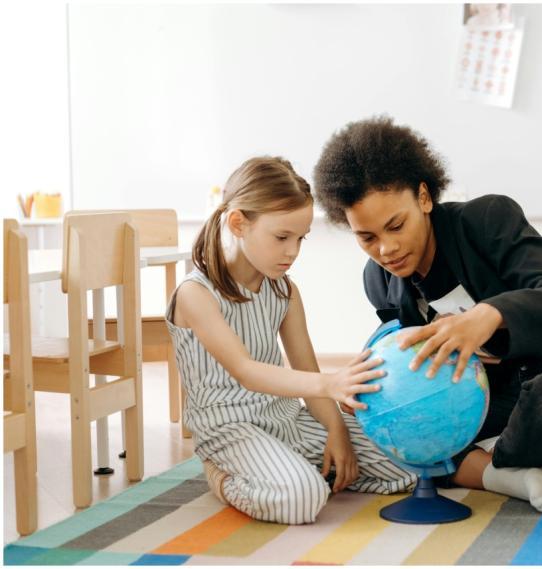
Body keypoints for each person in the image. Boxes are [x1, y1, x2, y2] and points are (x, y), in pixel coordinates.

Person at [312, 116, 542, 511]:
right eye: (367, 237)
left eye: (396, 225)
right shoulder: (379, 281)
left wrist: (488, 316)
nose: (386, 249)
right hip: (496, 399)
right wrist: (367, 388)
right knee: (373, 428)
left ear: (425, 198)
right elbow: (407, 361)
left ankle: (482, 460)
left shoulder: (486, 222)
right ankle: (512, 462)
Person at [166, 156, 416, 525]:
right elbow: (247, 372)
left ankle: (289, 466)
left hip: (286, 419)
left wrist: (336, 432)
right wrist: (331, 384)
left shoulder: (284, 291)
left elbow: (305, 371)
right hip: (230, 430)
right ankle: (223, 477)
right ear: (238, 223)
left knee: (406, 466)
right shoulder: (195, 293)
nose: (292, 251)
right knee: (303, 500)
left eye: (300, 238)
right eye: (282, 237)